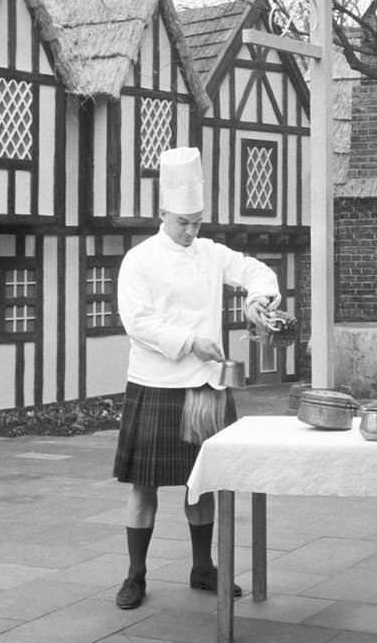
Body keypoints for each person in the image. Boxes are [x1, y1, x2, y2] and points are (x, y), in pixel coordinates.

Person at [111, 146, 279, 610]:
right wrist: (190, 341)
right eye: (183, 221)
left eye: (198, 222)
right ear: (163, 212)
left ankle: (203, 567)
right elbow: (137, 323)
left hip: (205, 387)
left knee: (201, 483)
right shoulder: (139, 260)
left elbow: (257, 270)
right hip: (154, 384)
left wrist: (258, 300)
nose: (191, 230)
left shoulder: (210, 253)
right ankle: (135, 575)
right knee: (144, 486)